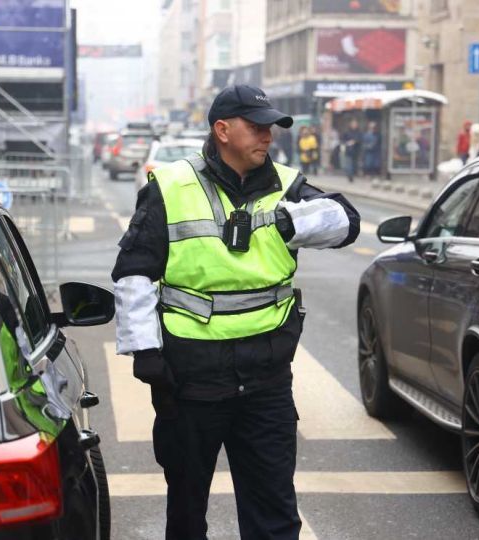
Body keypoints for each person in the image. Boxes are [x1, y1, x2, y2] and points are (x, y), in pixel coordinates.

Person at [111, 84, 360, 540]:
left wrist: (294, 221)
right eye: (256, 127)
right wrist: (146, 356)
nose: (267, 136)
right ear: (222, 130)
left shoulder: (286, 184)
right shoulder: (170, 186)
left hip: (265, 381)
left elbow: (347, 222)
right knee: (186, 512)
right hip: (192, 381)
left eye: (271, 128)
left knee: (275, 513)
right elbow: (134, 272)